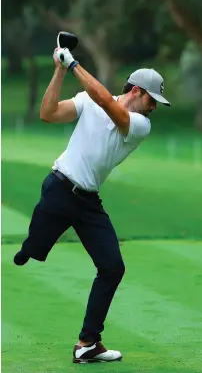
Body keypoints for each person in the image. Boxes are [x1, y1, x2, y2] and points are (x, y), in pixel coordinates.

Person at [13, 45, 171, 363]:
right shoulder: (88, 100)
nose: (154, 107)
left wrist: (73, 63)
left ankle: (87, 343)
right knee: (31, 251)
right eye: (152, 100)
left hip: (88, 203)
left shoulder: (140, 125)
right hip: (59, 189)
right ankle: (32, 244)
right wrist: (60, 68)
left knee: (112, 266)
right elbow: (48, 114)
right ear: (137, 91)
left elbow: (104, 101)